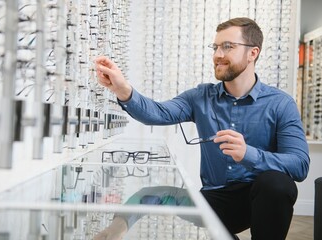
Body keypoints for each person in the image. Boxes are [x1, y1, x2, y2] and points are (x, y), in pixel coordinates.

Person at [94, 17, 310, 240]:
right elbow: (158, 113)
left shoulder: (280, 103)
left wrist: (249, 155)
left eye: (228, 46)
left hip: (259, 199)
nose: (217, 54)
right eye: (215, 47)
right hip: (214, 202)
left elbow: (300, 164)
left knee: (277, 183)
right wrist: (123, 90)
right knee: (151, 193)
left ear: (252, 53)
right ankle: (117, 229)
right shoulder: (200, 96)